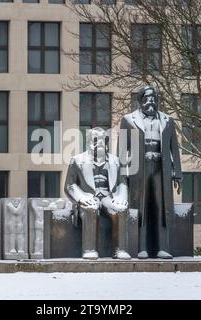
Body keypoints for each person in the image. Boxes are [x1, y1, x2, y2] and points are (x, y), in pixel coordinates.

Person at [119, 85, 183, 259]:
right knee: (141, 207)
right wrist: (121, 175)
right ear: (140, 101)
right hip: (138, 169)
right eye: (147, 98)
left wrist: (177, 173)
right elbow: (122, 149)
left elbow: (174, 149)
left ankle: (163, 247)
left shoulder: (168, 121)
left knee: (161, 207)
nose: (151, 102)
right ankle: (142, 248)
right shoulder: (128, 120)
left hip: (161, 169)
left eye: (154, 98)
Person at [65, 127, 131, 260]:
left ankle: (120, 250)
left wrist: (122, 198)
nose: (99, 143)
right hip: (88, 197)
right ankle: (89, 250)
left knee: (121, 209)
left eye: (102, 140)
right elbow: (69, 185)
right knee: (91, 209)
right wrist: (81, 198)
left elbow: (122, 183)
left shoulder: (116, 161)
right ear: (88, 142)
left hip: (109, 197)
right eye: (95, 140)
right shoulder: (77, 160)